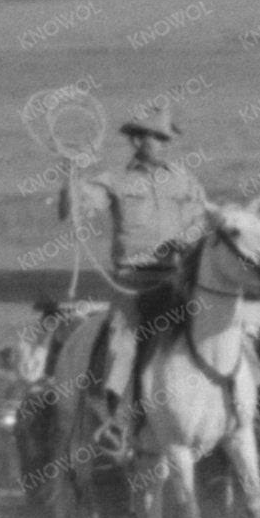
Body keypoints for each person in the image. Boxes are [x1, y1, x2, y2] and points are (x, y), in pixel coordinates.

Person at [59, 101, 208, 449]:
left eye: (165, 138)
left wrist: (184, 241)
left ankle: (245, 410)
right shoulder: (114, 180)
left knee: (221, 332)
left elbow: (203, 219)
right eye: (156, 137)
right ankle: (118, 419)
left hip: (177, 278)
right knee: (123, 343)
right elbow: (77, 208)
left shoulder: (185, 179)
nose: (162, 144)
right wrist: (70, 179)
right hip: (132, 282)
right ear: (138, 140)